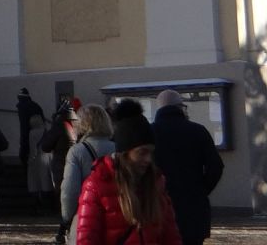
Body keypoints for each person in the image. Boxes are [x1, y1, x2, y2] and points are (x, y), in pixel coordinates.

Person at [74, 106, 182, 245]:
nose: (149, 159)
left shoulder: (156, 183)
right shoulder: (96, 185)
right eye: (142, 152)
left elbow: (171, 235)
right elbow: (86, 239)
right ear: (125, 153)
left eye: (151, 152)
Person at [151, 89, 224, 245]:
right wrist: (202, 190)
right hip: (193, 209)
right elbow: (216, 167)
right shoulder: (198, 131)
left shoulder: (150, 133)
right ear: (180, 107)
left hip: (159, 207)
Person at [59, 102, 116, 245]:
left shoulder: (77, 152)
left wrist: (66, 218)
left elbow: (69, 191)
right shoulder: (119, 149)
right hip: (117, 216)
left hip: (85, 217)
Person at [16, 87, 46, 168]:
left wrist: (23, 147)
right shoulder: (36, 106)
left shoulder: (22, 107)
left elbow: (24, 128)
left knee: (28, 162)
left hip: (29, 138)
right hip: (42, 139)